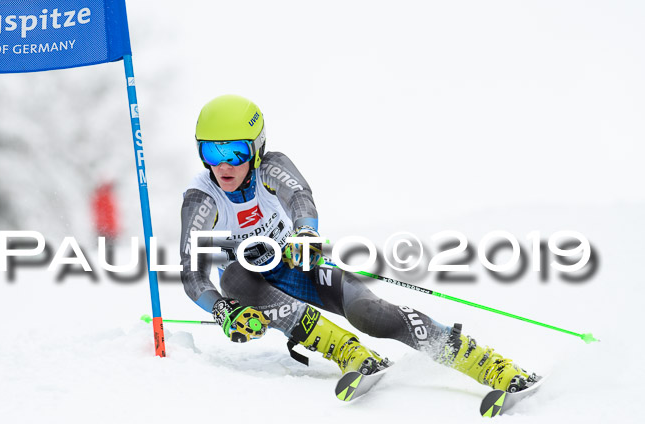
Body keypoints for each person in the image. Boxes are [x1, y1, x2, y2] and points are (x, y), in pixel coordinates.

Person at [180, 94, 539, 392]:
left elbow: (300, 197)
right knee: (234, 278)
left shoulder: (269, 168)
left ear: (256, 149)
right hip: (253, 286)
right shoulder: (203, 197)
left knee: (370, 314)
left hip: (296, 262)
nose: (223, 167)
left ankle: (485, 363)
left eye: (235, 154)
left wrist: (306, 234)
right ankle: (349, 352)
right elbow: (191, 273)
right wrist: (221, 309)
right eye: (212, 154)